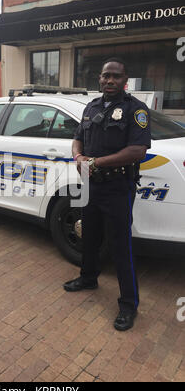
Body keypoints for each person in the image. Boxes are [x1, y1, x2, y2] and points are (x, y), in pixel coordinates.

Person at [64, 57, 151, 331]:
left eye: (116, 76)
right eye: (105, 76)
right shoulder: (91, 107)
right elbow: (78, 137)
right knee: (89, 235)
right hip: (91, 183)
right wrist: (78, 156)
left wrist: (95, 163)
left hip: (117, 187)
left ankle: (128, 305)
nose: (110, 80)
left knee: (119, 245)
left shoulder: (136, 110)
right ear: (99, 79)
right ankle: (88, 277)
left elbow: (138, 151)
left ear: (125, 81)